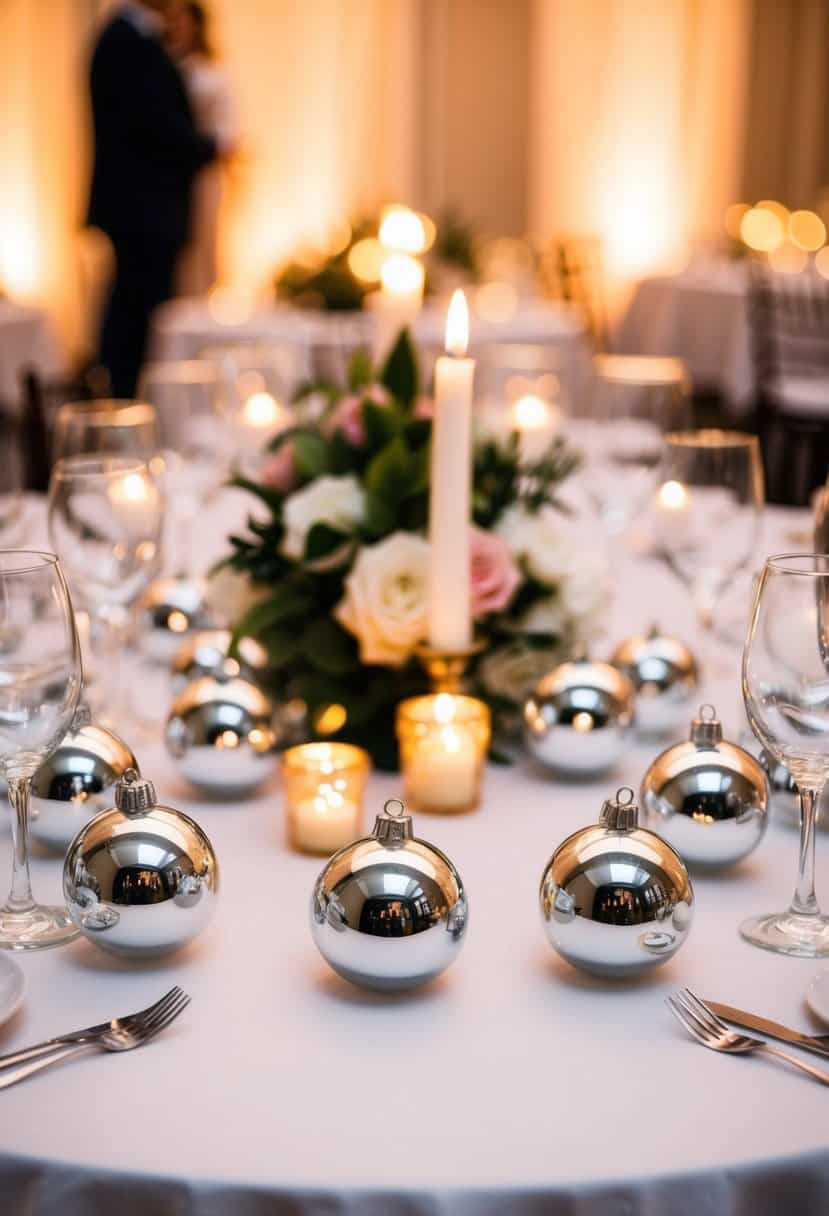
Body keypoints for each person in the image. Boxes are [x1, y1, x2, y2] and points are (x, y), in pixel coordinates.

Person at [87, 0, 220, 397]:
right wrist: (209, 148)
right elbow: (155, 128)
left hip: (142, 211)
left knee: (135, 317)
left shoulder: (128, 37)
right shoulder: (128, 41)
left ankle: (127, 404)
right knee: (136, 324)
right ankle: (125, 411)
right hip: (143, 212)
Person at [167, 2, 241, 295]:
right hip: (171, 175)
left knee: (203, 248)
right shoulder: (165, 66)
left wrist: (209, 148)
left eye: (180, 20)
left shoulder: (212, 72)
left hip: (202, 173)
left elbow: (230, 131)